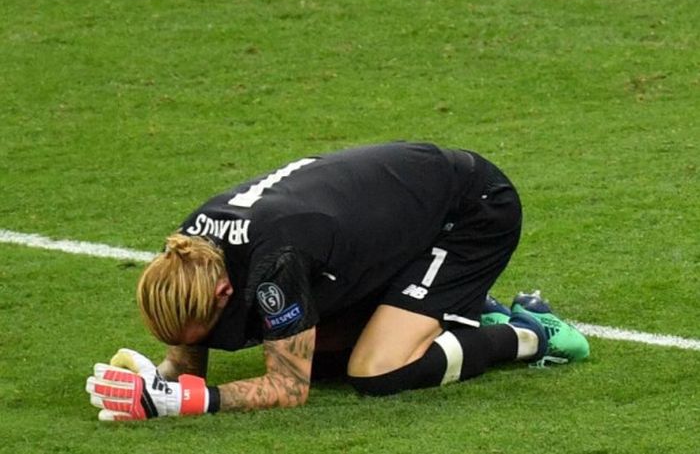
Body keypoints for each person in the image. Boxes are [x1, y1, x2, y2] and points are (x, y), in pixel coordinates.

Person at [86, 141, 589, 421]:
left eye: (200, 335)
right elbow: (184, 355)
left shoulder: (275, 262)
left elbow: (287, 387)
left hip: (470, 211)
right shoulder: (188, 255)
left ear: (223, 293)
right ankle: (463, 309)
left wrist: (191, 400)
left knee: (377, 372)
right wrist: (157, 378)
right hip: (391, 216)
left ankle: (532, 334)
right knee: (320, 354)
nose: (193, 349)